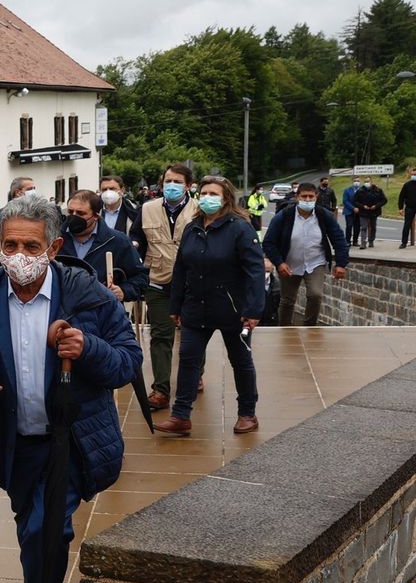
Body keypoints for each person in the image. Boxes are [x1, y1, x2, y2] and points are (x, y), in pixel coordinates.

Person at [0, 194, 140, 583]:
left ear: (53, 248)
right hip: (14, 443)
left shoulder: (87, 295)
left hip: (69, 441)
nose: (20, 256)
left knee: (45, 530)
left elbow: (128, 361)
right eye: (10, 245)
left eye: (31, 247)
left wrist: (88, 348)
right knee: (33, 532)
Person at [153, 176, 266, 436]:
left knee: (241, 361)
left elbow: (255, 271)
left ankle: (247, 413)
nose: (207, 198)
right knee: (188, 360)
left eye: (213, 194)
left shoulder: (240, 228)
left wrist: (253, 310)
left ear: (226, 199)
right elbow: (181, 269)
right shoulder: (192, 228)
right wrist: (176, 305)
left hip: (233, 310)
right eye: (203, 193)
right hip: (196, 307)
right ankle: (180, 415)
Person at [131, 164, 197, 410]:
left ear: (188, 186)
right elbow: (136, 236)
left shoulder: (199, 210)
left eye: (177, 181)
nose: (171, 185)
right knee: (161, 335)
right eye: (168, 181)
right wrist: (134, 246)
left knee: (193, 334)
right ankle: (160, 389)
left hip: (192, 283)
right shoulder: (147, 209)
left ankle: (196, 374)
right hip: (157, 280)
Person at [261, 189, 348, 326]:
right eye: (304, 196)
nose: (307, 200)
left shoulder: (323, 215)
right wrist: (279, 263)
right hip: (289, 264)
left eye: (311, 196)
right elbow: (268, 242)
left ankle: (309, 327)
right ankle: (284, 329)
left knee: (315, 295)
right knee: (287, 300)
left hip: (315, 263)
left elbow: (339, 239)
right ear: (297, 197)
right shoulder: (284, 216)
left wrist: (341, 264)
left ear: (316, 197)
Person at [60, 190, 147, 302]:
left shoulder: (117, 241)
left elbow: (141, 276)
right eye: (70, 212)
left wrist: (124, 291)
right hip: (63, 308)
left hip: (102, 308)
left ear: (96, 215)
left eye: (81, 213)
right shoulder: (55, 239)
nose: (74, 216)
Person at [0, 177, 39, 265]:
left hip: (34, 261)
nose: (33, 191)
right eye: (30, 189)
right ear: (18, 192)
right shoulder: (2, 214)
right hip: (10, 262)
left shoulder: (39, 213)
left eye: (34, 188)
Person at [98, 175, 140, 253]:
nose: (108, 192)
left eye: (112, 189)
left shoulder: (134, 212)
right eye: (104, 189)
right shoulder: (95, 211)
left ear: (122, 190)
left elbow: (139, 236)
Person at [357, 178, 388, 248]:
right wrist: (363, 206)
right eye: (365, 181)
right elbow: (355, 201)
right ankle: (363, 243)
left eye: (368, 181)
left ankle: (371, 241)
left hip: (374, 212)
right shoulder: (360, 191)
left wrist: (376, 206)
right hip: (363, 212)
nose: (367, 183)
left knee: (373, 228)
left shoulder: (378, 190)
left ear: (371, 182)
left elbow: (384, 200)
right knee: (363, 227)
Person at [343, 178, 362, 248]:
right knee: (349, 226)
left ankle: (355, 241)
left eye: (358, 181)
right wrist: (353, 208)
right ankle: (347, 241)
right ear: (352, 182)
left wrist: (359, 208)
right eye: (355, 181)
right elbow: (345, 201)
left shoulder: (362, 190)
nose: (356, 182)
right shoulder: (347, 190)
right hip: (349, 211)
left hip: (359, 211)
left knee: (357, 227)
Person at [401, 167, 416, 248]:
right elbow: (401, 197)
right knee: (407, 225)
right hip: (410, 207)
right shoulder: (407, 185)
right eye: (413, 174)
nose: (414, 176)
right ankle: (404, 243)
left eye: (415, 174)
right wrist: (400, 208)